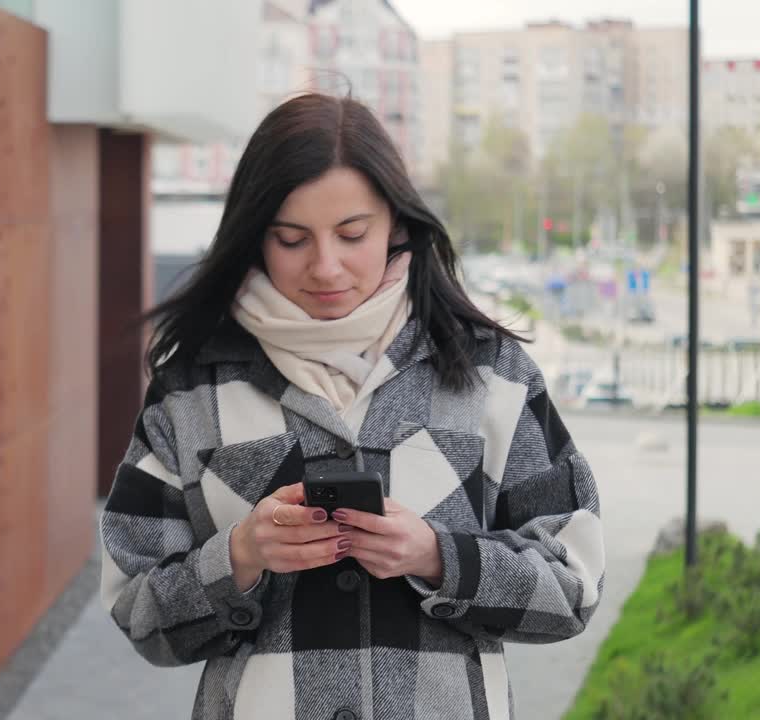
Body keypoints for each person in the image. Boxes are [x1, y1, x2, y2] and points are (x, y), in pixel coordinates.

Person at [99, 93, 604, 720]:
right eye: (291, 239)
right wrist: (241, 557)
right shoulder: (193, 386)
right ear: (256, 236)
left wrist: (436, 557)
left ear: (395, 222)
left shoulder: (491, 375)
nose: (326, 266)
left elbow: (573, 586)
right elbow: (138, 611)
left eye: (352, 233)